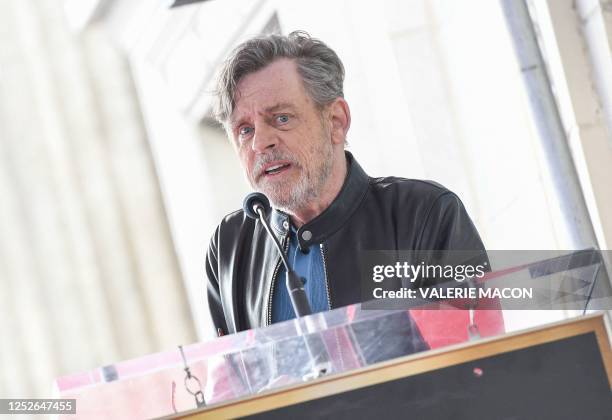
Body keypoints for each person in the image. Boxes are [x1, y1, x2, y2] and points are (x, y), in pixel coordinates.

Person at [205, 30, 491, 337]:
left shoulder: (424, 214)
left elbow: (479, 360)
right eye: (244, 130)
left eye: (282, 118)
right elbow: (229, 377)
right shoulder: (229, 247)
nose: (260, 143)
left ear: (336, 122)